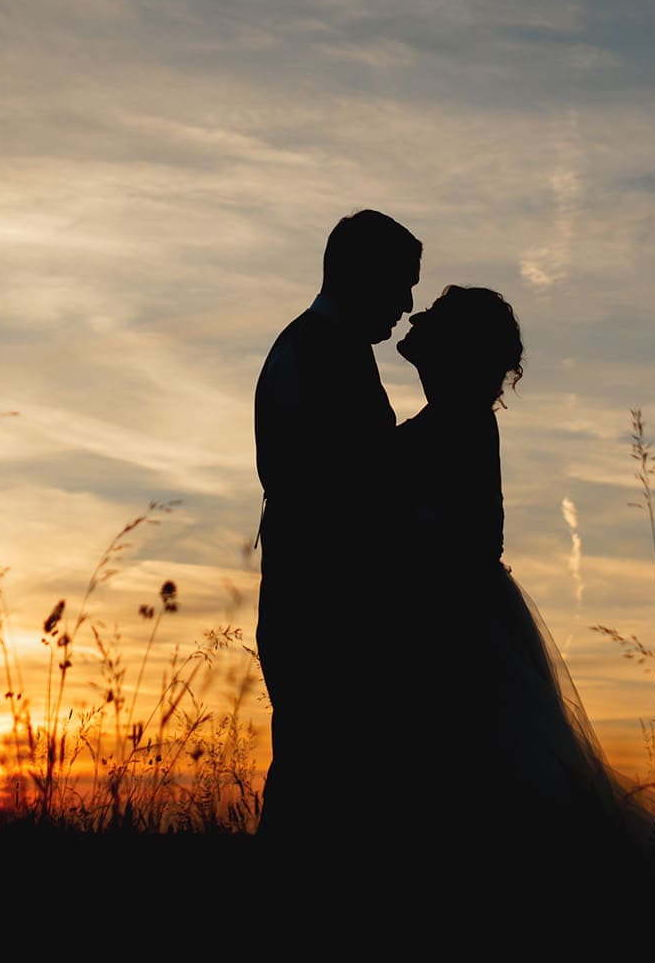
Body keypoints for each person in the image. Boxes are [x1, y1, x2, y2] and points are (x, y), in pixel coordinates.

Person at [395, 285, 655, 879]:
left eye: (433, 323)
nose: (415, 319)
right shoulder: (451, 418)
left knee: (474, 759)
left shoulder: (463, 422)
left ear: (455, 352)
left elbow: (480, 534)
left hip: (457, 615)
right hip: (450, 606)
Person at [254, 208, 421, 844]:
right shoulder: (318, 354)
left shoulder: (325, 349)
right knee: (318, 787)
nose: (407, 305)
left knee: (323, 784)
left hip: (317, 601)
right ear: (361, 275)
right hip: (322, 606)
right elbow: (334, 488)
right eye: (400, 283)